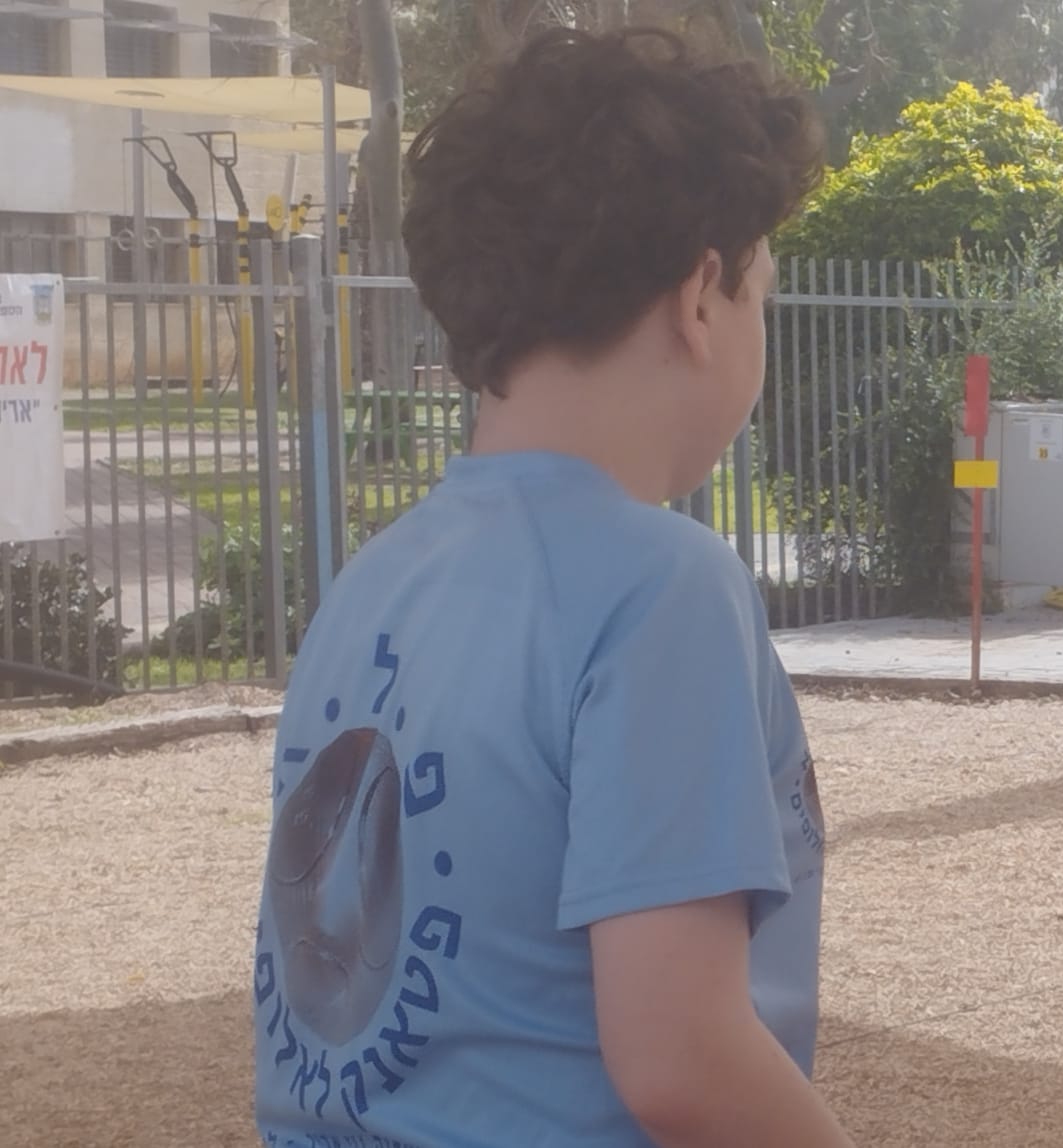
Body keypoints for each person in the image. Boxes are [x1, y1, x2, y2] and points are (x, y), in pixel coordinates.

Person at [249, 27, 855, 1148]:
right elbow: (681, 1060)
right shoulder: (664, 589)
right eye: (761, 295)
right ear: (702, 297)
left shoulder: (367, 586)